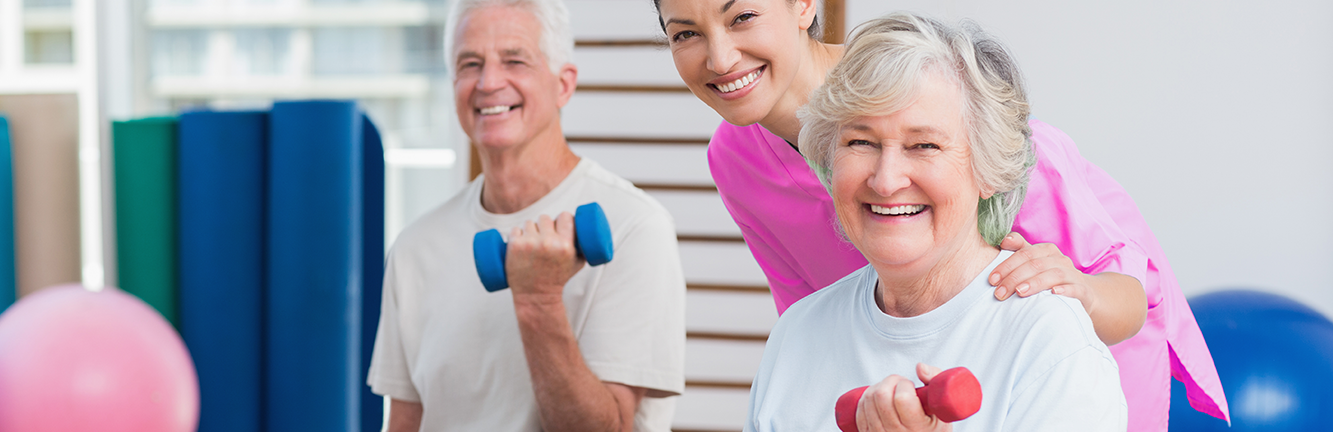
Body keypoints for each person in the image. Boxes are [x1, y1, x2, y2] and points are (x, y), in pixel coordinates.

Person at [651, 0, 1227, 428]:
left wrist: (1082, 293)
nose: (721, 56)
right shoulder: (735, 160)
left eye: (743, 15)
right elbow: (809, 324)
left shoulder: (968, 119)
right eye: (686, 33)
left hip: (1087, 360)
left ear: (804, 5)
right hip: (916, 377)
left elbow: (1128, 293)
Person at [746, 14, 1126, 430]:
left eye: (924, 145)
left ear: (987, 170)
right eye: (860, 142)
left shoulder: (1050, 341)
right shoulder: (798, 333)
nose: (887, 180)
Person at [366, 0, 686, 430]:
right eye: (470, 63)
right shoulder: (414, 247)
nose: (489, 82)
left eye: (514, 60)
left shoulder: (635, 228)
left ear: (563, 85)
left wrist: (539, 301)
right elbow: (406, 420)